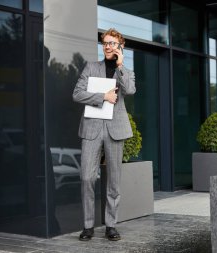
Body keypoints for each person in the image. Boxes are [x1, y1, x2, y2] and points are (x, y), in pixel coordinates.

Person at [72, 28, 135, 241]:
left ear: (120, 46)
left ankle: (111, 225)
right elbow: (77, 94)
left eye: (113, 43)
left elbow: (130, 90)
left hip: (115, 129)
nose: (108, 46)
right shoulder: (91, 67)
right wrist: (103, 97)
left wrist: (120, 66)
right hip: (91, 128)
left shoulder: (125, 71)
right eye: (105, 43)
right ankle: (88, 225)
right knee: (87, 177)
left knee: (114, 181)